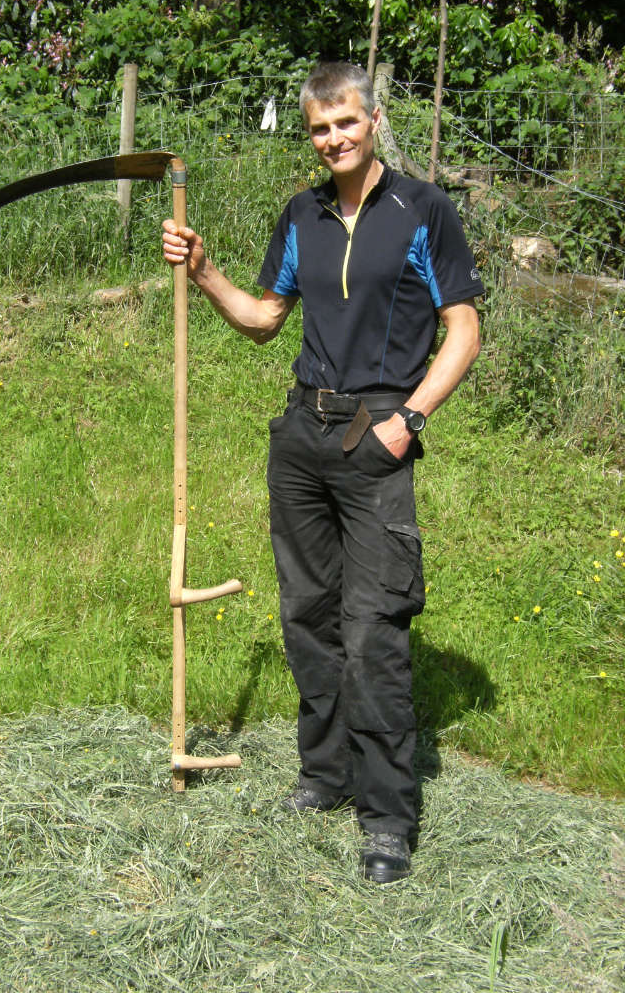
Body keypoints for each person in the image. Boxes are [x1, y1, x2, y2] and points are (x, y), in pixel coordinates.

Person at [162, 62, 483, 883]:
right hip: (302, 436)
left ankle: (385, 817)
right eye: (318, 127)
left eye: (345, 122)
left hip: (377, 436)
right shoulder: (301, 214)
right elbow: (266, 318)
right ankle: (326, 774)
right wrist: (203, 271)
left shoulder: (423, 209)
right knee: (308, 614)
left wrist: (408, 422)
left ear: (373, 120)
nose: (333, 138)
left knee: (374, 628)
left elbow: (463, 329)